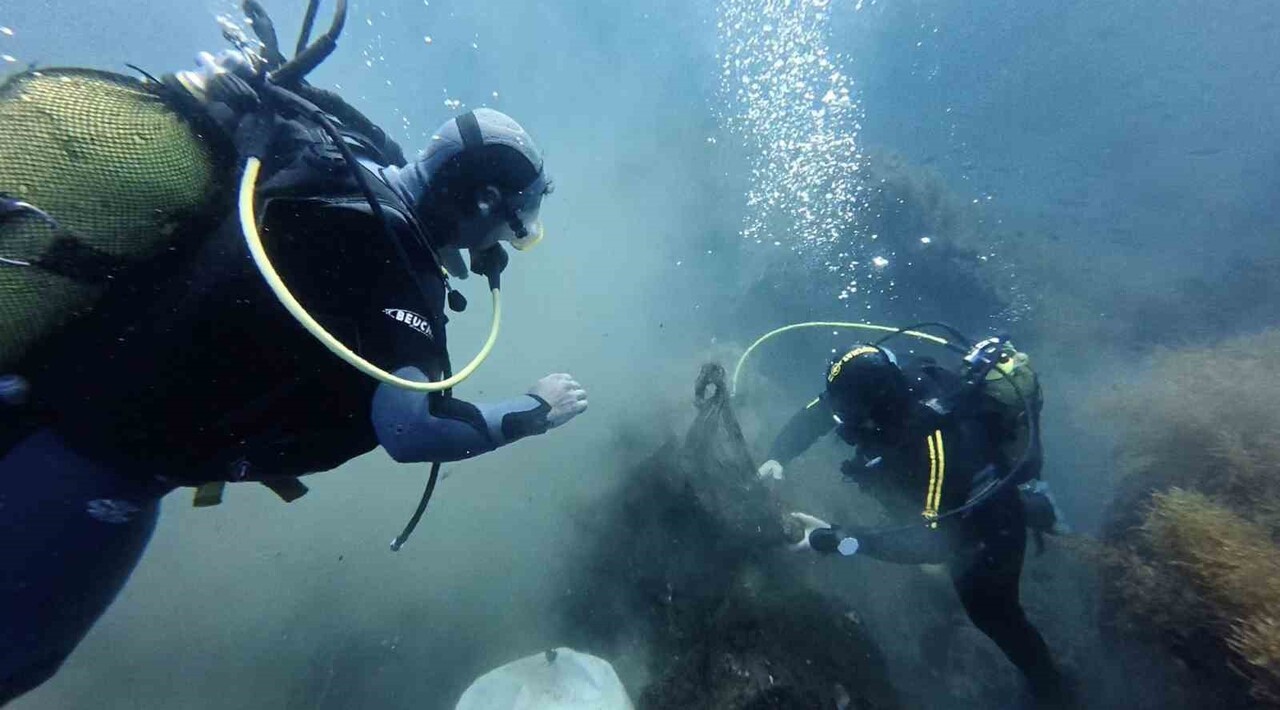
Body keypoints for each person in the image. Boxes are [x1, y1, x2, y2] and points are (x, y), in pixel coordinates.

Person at [0, 45, 587, 704]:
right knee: (19, 657)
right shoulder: (394, 265)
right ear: (483, 200)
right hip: (94, 461)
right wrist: (534, 411)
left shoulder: (344, 167)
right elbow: (411, 429)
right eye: (513, 225)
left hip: (63, 402)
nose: (506, 244)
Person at [758, 342, 1070, 705]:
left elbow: (933, 543)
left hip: (984, 525)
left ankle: (1055, 690)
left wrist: (835, 540)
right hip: (941, 499)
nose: (839, 419)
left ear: (876, 406)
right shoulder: (871, 387)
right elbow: (817, 414)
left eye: (847, 412)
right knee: (934, 561)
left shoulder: (934, 445)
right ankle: (1033, 506)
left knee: (993, 614)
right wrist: (777, 456)